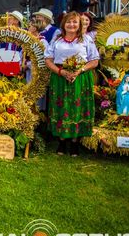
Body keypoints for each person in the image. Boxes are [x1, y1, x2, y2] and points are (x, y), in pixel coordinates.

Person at [45, 12, 100, 156]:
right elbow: (48, 60)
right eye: (68, 22)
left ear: (79, 24)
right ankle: (62, 142)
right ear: (63, 24)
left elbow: (94, 61)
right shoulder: (57, 40)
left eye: (75, 22)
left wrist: (79, 70)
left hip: (80, 78)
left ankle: (75, 142)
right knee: (61, 106)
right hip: (60, 77)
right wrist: (60, 72)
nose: (72, 25)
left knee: (77, 107)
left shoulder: (86, 39)